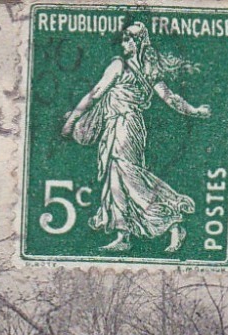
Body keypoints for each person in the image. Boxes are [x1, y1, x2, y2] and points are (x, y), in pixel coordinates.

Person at [61, 21, 210, 253]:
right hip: (124, 126)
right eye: (123, 40)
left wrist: (71, 123)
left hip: (125, 126)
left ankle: (172, 221)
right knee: (116, 179)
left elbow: (96, 94)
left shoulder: (121, 66)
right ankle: (124, 235)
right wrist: (195, 111)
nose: (123, 44)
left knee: (130, 178)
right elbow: (170, 98)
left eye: (128, 39)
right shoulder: (148, 71)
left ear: (138, 42)